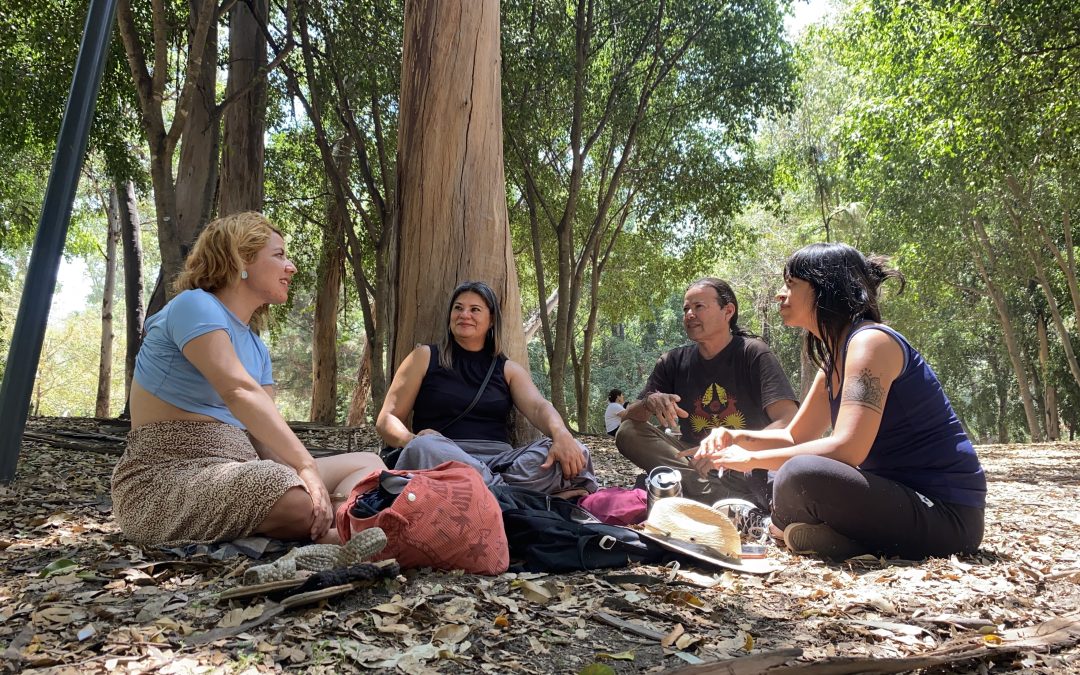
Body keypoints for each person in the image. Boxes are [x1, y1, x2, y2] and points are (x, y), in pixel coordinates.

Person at [689, 243, 986, 560]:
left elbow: (847, 449)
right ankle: (836, 538)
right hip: (893, 499)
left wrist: (750, 459)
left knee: (795, 471)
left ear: (824, 289)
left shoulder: (871, 342)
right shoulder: (834, 360)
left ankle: (773, 525)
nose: (780, 294)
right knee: (770, 464)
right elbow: (794, 436)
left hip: (946, 516)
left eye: (791, 284)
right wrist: (735, 438)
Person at [111, 212, 384, 547]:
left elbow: (264, 440)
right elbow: (237, 390)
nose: (291, 267)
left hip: (242, 472)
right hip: (167, 479)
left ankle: (338, 522)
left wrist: (304, 477)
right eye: (280, 255)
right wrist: (305, 468)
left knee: (371, 464)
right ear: (240, 258)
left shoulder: (257, 348)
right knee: (294, 497)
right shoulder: (194, 305)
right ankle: (346, 530)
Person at [376, 281, 598, 496]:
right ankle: (510, 496)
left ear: (491, 320)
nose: (465, 315)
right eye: (458, 308)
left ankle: (487, 493)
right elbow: (387, 418)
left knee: (577, 451)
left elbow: (539, 407)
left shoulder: (507, 369)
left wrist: (562, 435)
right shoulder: (424, 357)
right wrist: (411, 440)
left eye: (475, 309)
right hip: (443, 458)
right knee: (424, 448)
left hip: (499, 464)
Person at [616, 278, 799, 505]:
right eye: (686, 309)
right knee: (628, 432)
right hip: (691, 461)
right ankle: (719, 499)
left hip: (741, 463)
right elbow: (627, 418)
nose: (689, 314)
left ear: (728, 311)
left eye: (699, 307)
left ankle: (697, 493)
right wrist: (649, 403)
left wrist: (733, 448)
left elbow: (787, 421)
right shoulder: (673, 361)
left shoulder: (753, 353)